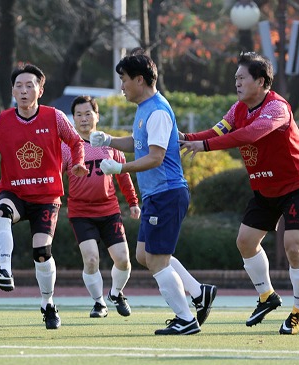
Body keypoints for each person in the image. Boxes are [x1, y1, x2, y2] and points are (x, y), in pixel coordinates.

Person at [180, 52, 299, 335]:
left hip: (296, 184)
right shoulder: (237, 109)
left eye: (242, 78)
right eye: (236, 79)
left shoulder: (277, 108)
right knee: (245, 242)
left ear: (261, 81)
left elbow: (250, 135)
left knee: (294, 247)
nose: (237, 84)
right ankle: (267, 296)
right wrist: (185, 139)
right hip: (265, 188)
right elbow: (216, 131)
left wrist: (204, 147)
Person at [90, 49, 217, 335]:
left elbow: (156, 157)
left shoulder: (158, 111)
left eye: (124, 80)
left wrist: (120, 170)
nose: (121, 86)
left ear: (140, 79)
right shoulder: (145, 108)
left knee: (157, 259)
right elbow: (140, 144)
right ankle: (199, 293)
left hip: (167, 192)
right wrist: (108, 140)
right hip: (156, 195)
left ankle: (186, 319)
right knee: (145, 255)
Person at [0, 64, 88, 330]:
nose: (24, 91)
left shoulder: (54, 117)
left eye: (29, 86)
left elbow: (76, 142)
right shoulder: (1, 120)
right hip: (15, 191)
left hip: (47, 196)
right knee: (1, 214)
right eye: (19, 86)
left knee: (42, 253)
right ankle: (4, 272)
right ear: (12, 91)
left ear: (40, 90)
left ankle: (48, 304)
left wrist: (78, 162)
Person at [63, 95, 141, 318]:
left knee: (124, 260)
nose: (84, 119)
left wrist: (133, 203)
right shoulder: (67, 147)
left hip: (109, 211)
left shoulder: (110, 144)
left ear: (97, 116)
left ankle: (116, 293)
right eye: (79, 115)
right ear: (73, 119)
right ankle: (99, 303)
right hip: (80, 212)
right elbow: (55, 175)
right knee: (90, 259)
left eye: (88, 113)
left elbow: (124, 176)